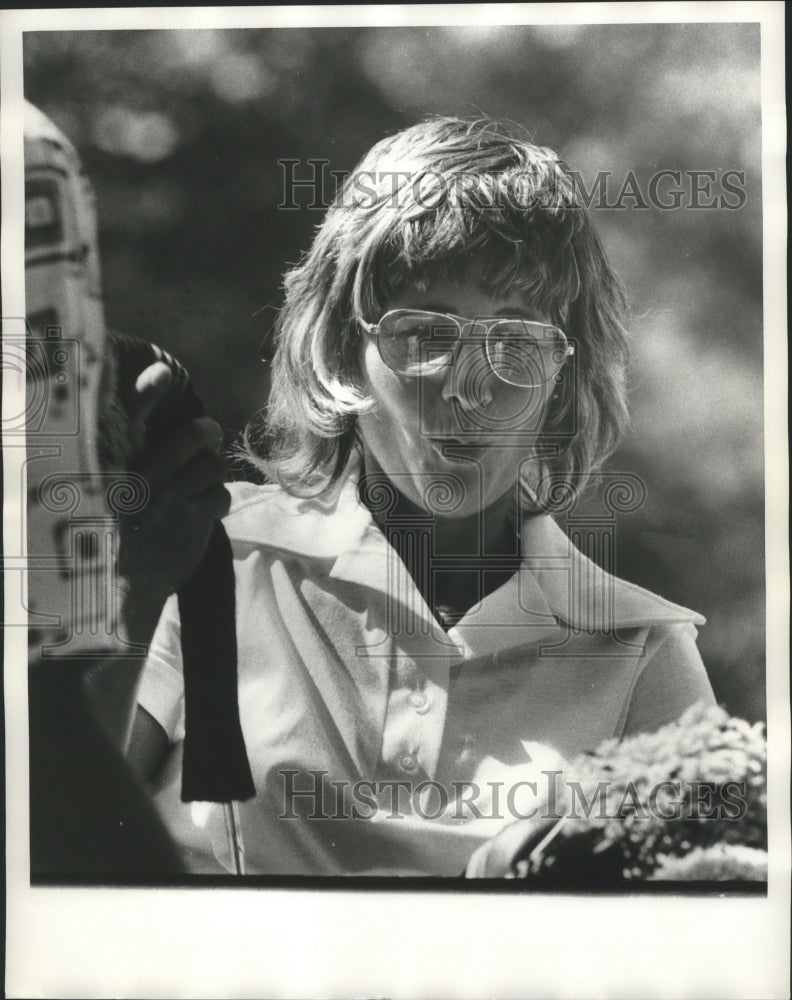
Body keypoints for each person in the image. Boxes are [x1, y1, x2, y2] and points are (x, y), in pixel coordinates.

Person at [117, 116, 716, 876]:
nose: (472, 387)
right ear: (341, 353)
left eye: (516, 342)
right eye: (426, 333)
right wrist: (126, 589)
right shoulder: (205, 556)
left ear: (563, 376)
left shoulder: (644, 655)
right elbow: (55, 842)